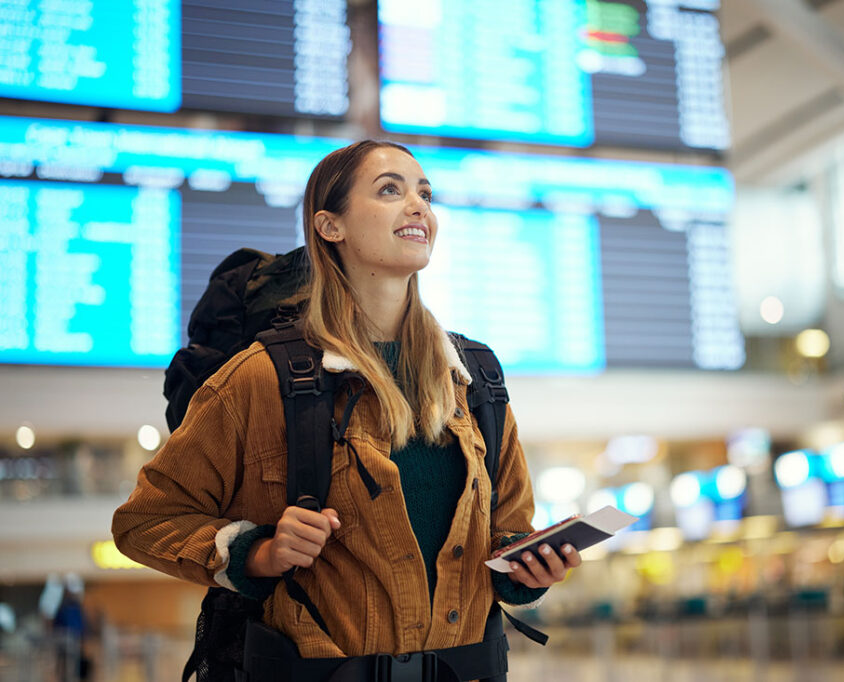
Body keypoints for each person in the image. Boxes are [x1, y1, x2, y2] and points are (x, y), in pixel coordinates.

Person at [111, 140, 580, 675]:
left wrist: (524, 569)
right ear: (330, 227)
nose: (418, 206)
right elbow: (146, 520)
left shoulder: (474, 379)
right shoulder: (263, 377)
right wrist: (256, 554)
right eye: (390, 190)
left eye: (425, 193)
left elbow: (507, 531)